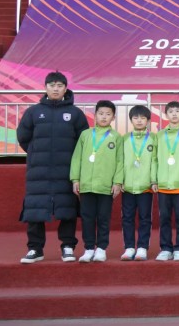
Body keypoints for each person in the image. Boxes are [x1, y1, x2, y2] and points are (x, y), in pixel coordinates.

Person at [17, 71, 89, 264]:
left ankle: (67, 246)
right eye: (52, 85)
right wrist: (36, 153)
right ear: (45, 88)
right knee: (35, 208)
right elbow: (23, 137)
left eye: (59, 86)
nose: (55, 89)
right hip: (38, 170)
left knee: (67, 208)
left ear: (65, 89)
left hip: (67, 170)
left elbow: (83, 141)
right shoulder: (33, 112)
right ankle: (35, 249)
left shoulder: (75, 113)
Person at [70, 100, 123, 262]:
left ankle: (101, 249)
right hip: (86, 185)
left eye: (108, 114)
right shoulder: (85, 135)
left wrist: (117, 182)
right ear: (95, 115)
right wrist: (75, 179)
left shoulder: (116, 137)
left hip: (106, 186)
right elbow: (77, 158)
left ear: (113, 117)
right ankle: (88, 248)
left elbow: (120, 161)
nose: (104, 117)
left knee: (103, 218)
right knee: (87, 218)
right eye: (101, 113)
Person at [155, 101, 179, 261]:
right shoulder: (159, 135)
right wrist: (154, 180)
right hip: (163, 184)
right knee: (164, 218)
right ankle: (165, 248)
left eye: (177, 111)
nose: (174, 114)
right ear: (166, 115)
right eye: (171, 111)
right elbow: (154, 159)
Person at [119, 105, 157, 261]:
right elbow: (120, 161)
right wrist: (119, 180)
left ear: (148, 120)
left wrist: (153, 180)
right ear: (131, 120)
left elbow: (155, 161)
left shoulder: (154, 138)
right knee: (127, 218)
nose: (139, 121)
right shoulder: (124, 139)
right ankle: (129, 247)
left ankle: (142, 247)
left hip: (145, 186)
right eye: (136, 118)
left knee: (145, 218)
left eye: (143, 118)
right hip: (127, 186)